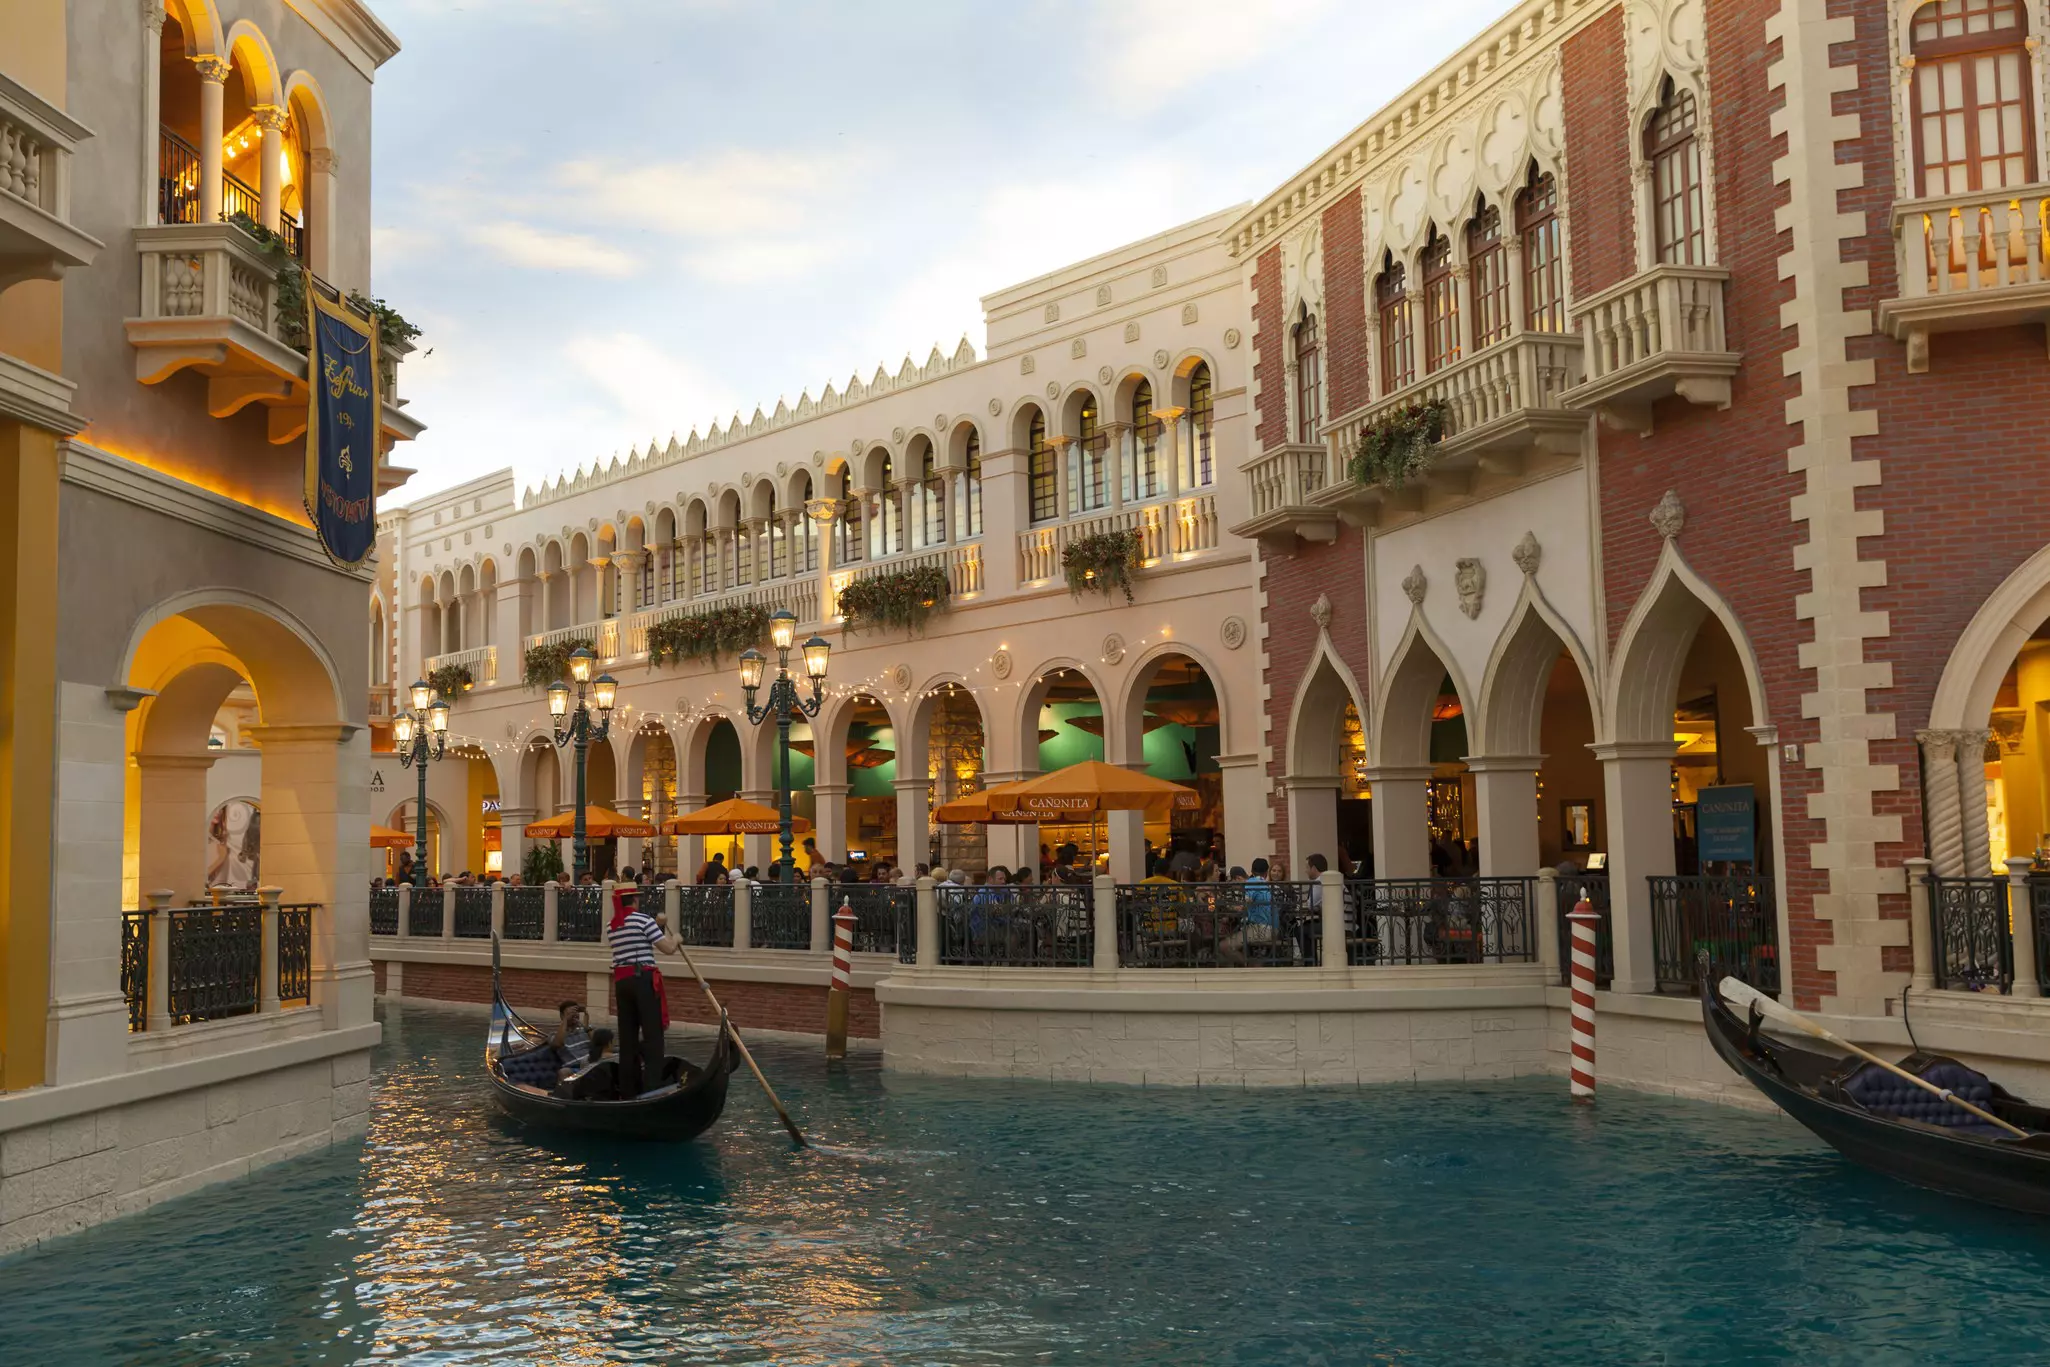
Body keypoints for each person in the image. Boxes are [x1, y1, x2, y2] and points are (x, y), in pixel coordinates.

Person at [606, 885, 678, 1096]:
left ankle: (628, 1091)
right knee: (653, 1036)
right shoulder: (644, 920)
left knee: (627, 1038)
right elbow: (668, 949)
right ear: (635, 900)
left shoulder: (611, 925)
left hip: (622, 983)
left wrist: (658, 926)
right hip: (642, 981)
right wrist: (677, 939)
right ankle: (652, 1089)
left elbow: (636, 938)